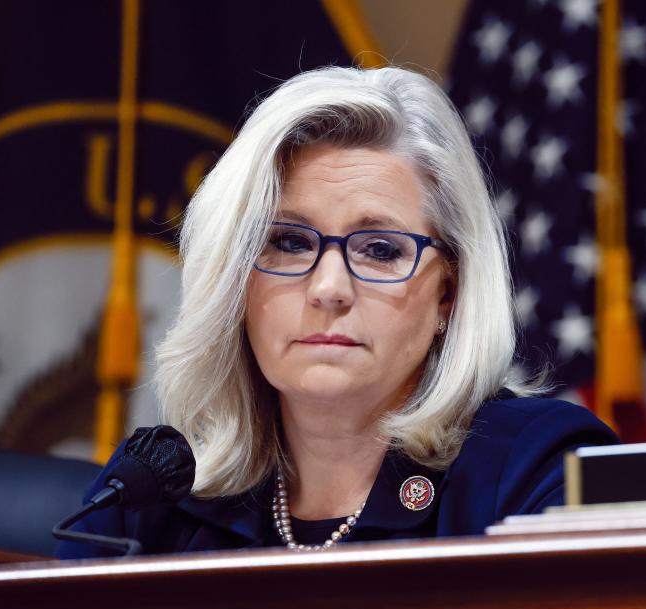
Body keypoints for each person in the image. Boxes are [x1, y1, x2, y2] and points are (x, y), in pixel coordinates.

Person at [57, 66, 616, 558]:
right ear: (234, 279)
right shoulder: (155, 498)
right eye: (289, 242)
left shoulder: (536, 473)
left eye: (380, 250)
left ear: (450, 292)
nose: (329, 288)